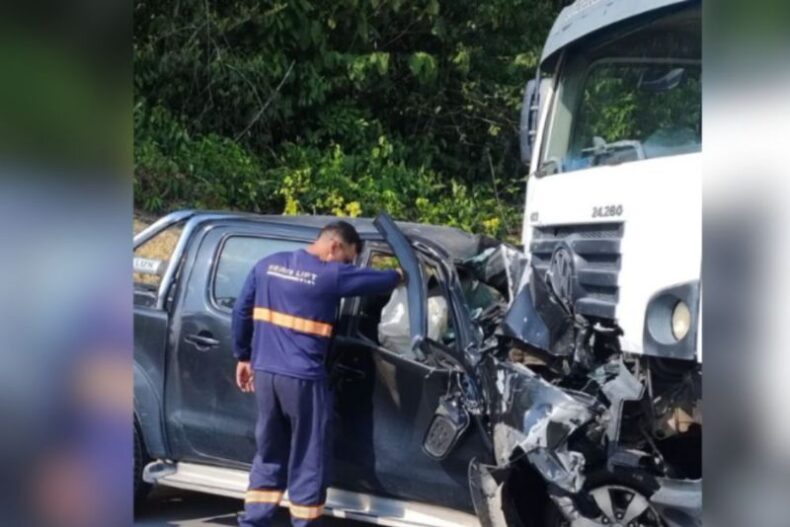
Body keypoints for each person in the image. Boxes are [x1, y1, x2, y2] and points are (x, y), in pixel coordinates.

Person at [231, 220, 402, 527]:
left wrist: (242, 355)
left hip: (266, 373)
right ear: (335, 245)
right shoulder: (330, 275)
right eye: (348, 258)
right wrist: (403, 274)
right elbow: (380, 281)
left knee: (269, 452)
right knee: (309, 457)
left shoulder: (267, 265)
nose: (348, 265)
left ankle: (254, 521)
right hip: (303, 379)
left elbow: (241, 311)